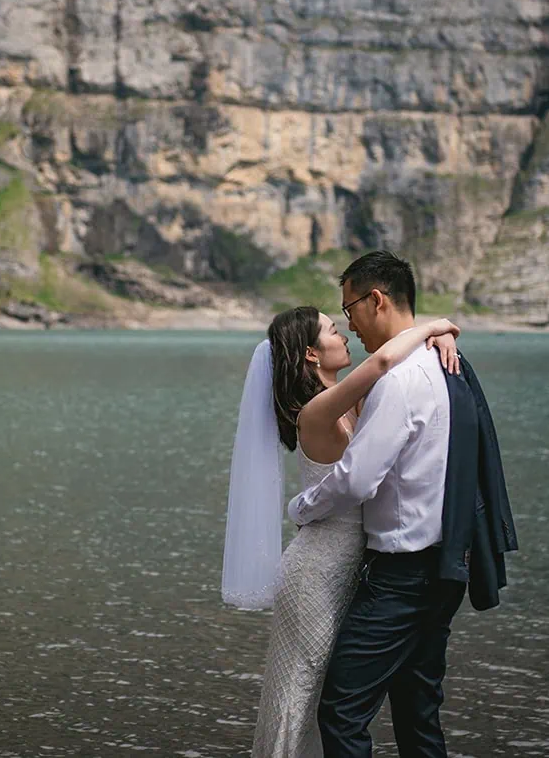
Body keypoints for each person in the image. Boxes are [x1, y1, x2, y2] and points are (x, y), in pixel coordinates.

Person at [290, 250, 515, 757]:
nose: (349, 323)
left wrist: (302, 507)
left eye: (349, 310)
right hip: (444, 567)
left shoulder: (398, 379)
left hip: (401, 578)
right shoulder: (445, 361)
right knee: (418, 712)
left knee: (342, 711)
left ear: (376, 300)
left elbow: (355, 481)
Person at [223, 297, 461, 757]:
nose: (345, 335)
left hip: (350, 570)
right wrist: (439, 325)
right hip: (315, 574)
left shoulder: (355, 401)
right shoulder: (317, 411)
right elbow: (388, 357)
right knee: (300, 695)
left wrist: (439, 339)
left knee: (329, 696)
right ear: (312, 353)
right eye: (333, 331)